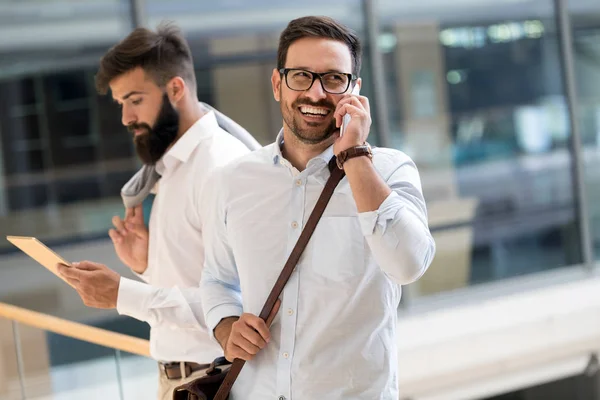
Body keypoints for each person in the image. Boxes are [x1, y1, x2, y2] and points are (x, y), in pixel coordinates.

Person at [200, 16, 436, 399]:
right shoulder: (233, 180)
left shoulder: (390, 170)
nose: (316, 93)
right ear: (278, 84)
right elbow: (215, 278)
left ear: (354, 91)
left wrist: (356, 157)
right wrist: (225, 325)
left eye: (333, 79)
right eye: (301, 77)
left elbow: (409, 265)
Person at [56, 23, 258, 400]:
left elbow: (237, 303)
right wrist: (146, 265)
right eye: (121, 104)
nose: (125, 118)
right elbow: (196, 276)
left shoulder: (218, 166)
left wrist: (122, 294)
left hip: (218, 381)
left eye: (135, 100)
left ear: (176, 89)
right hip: (180, 381)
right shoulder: (171, 166)